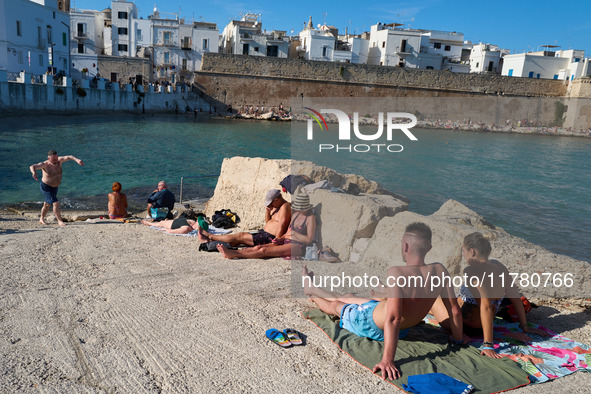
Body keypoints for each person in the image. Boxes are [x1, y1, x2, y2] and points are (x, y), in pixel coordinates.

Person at [302, 222, 463, 380]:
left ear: (405, 246)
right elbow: (454, 309)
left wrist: (388, 360)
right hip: (399, 326)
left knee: (336, 306)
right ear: (429, 248)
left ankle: (312, 292)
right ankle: (313, 288)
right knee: (349, 296)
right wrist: (458, 338)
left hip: (371, 323)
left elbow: (393, 318)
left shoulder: (397, 273)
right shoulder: (440, 270)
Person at [430, 232, 549, 359]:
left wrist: (488, 344)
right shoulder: (499, 267)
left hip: (464, 325)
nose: (463, 255)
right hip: (484, 326)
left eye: (463, 251)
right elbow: (515, 297)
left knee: (431, 298)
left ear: (472, 252)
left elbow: (485, 305)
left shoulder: (471, 272)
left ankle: (453, 330)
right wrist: (525, 327)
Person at [216, 193, 316, 259]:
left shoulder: (310, 218)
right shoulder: (296, 215)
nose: (297, 210)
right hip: (286, 241)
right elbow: (287, 233)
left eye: (300, 208)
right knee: (257, 247)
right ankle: (231, 252)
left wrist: (295, 234)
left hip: (297, 245)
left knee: (264, 251)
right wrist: (280, 239)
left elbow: (308, 240)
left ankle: (234, 254)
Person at [198, 189, 291, 247]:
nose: (270, 206)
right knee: (239, 237)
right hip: (264, 234)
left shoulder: (285, 207)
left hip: (269, 237)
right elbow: (268, 222)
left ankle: (210, 236)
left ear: (277, 200)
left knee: (240, 236)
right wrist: (268, 211)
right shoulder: (277, 208)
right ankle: (212, 240)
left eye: (271, 203)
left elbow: (282, 225)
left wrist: (277, 240)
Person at [29, 149, 84, 226]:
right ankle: (59, 221)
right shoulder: (45, 164)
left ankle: (41, 218)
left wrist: (77, 160)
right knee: (56, 203)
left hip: (54, 187)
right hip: (46, 187)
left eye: (56, 158)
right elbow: (32, 166)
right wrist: (34, 172)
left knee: (47, 204)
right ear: (49, 159)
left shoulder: (59, 161)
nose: (56, 160)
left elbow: (70, 156)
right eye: (53, 159)